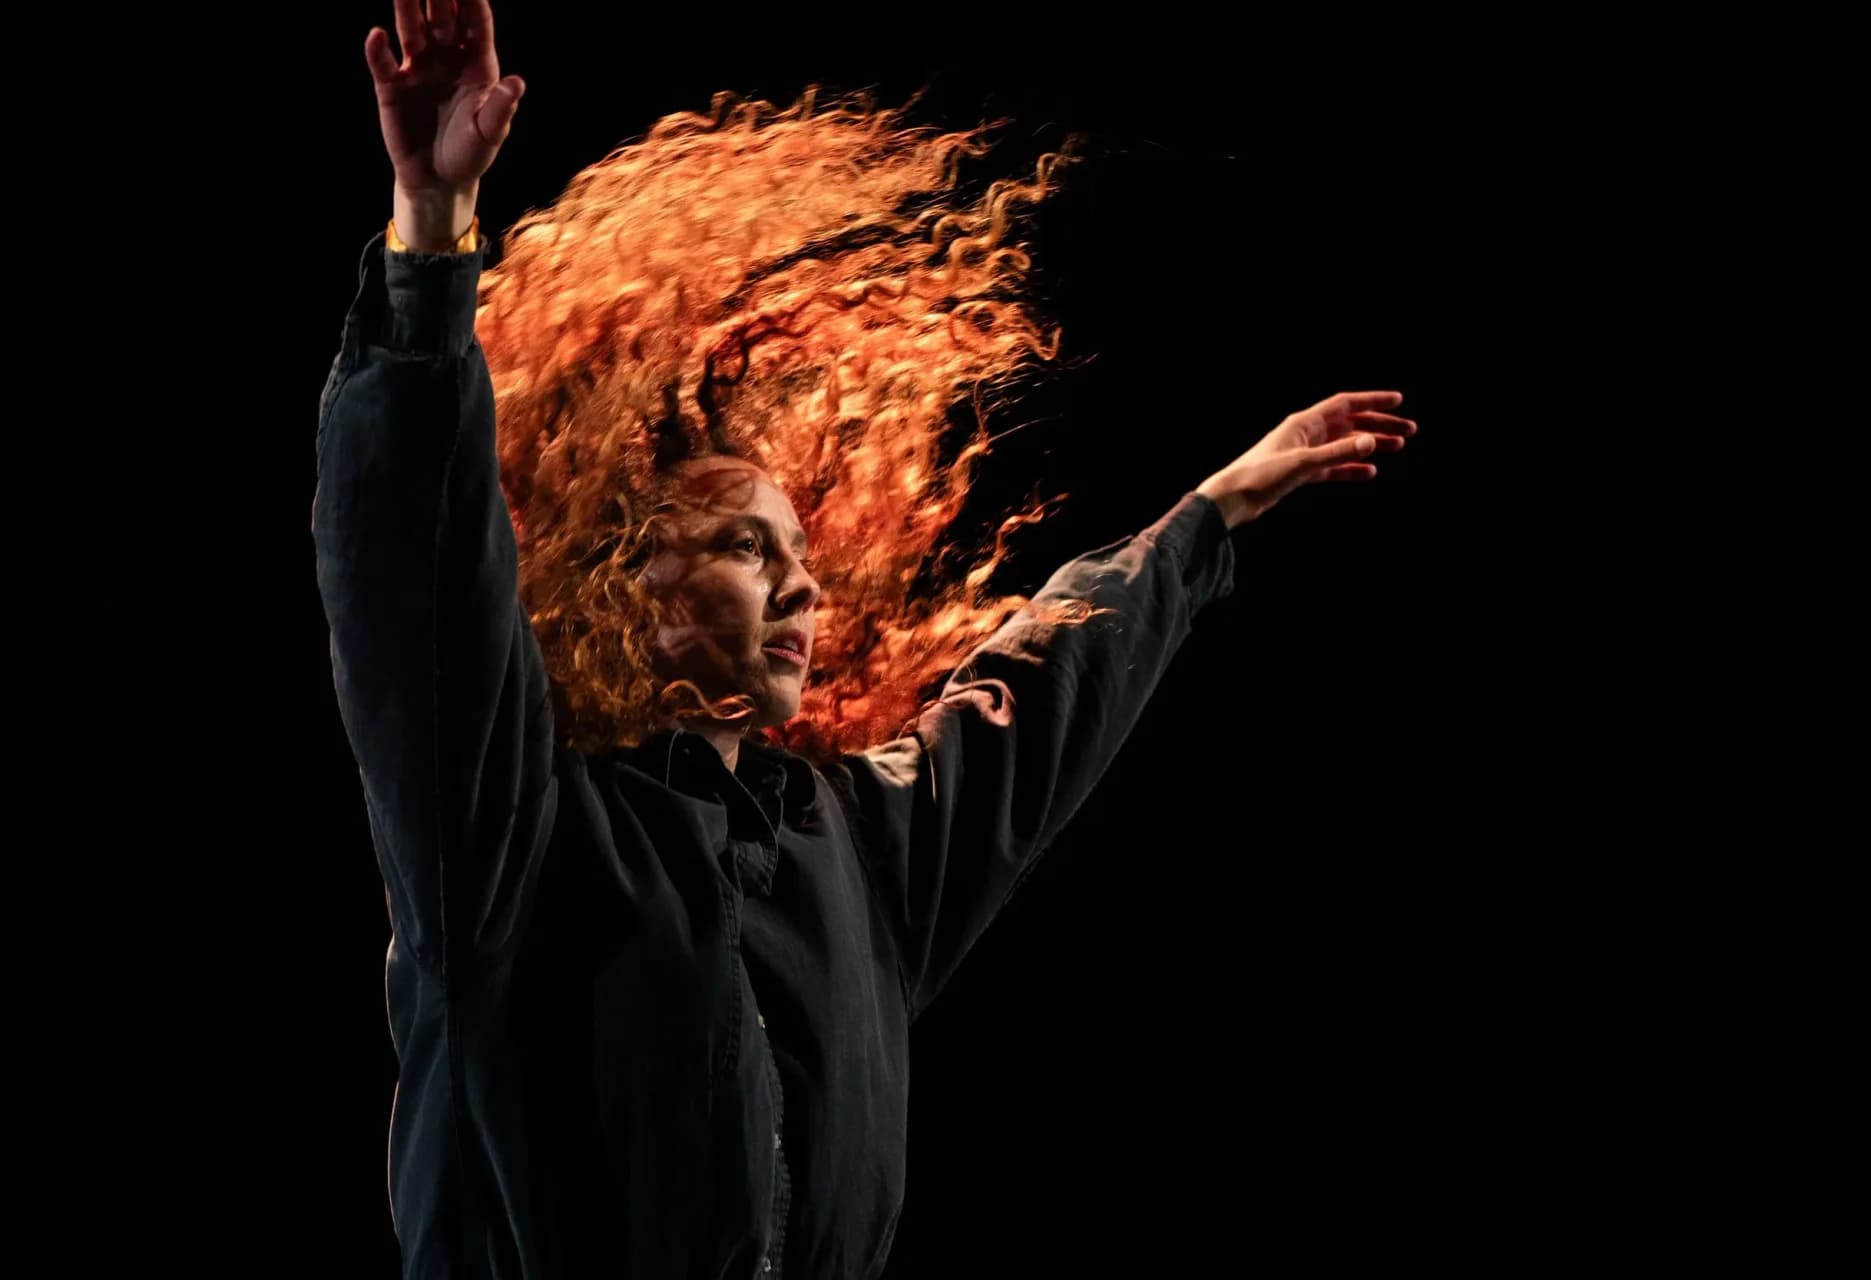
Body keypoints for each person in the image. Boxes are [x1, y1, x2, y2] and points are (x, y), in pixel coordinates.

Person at [314, 1, 1417, 1274]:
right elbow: (421, 580)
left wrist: (1213, 511)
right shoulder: (513, 835)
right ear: (630, 585)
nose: (801, 592)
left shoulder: (851, 847)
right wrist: (432, 239)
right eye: (745, 549)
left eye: (801, 557)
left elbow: (1039, 694)